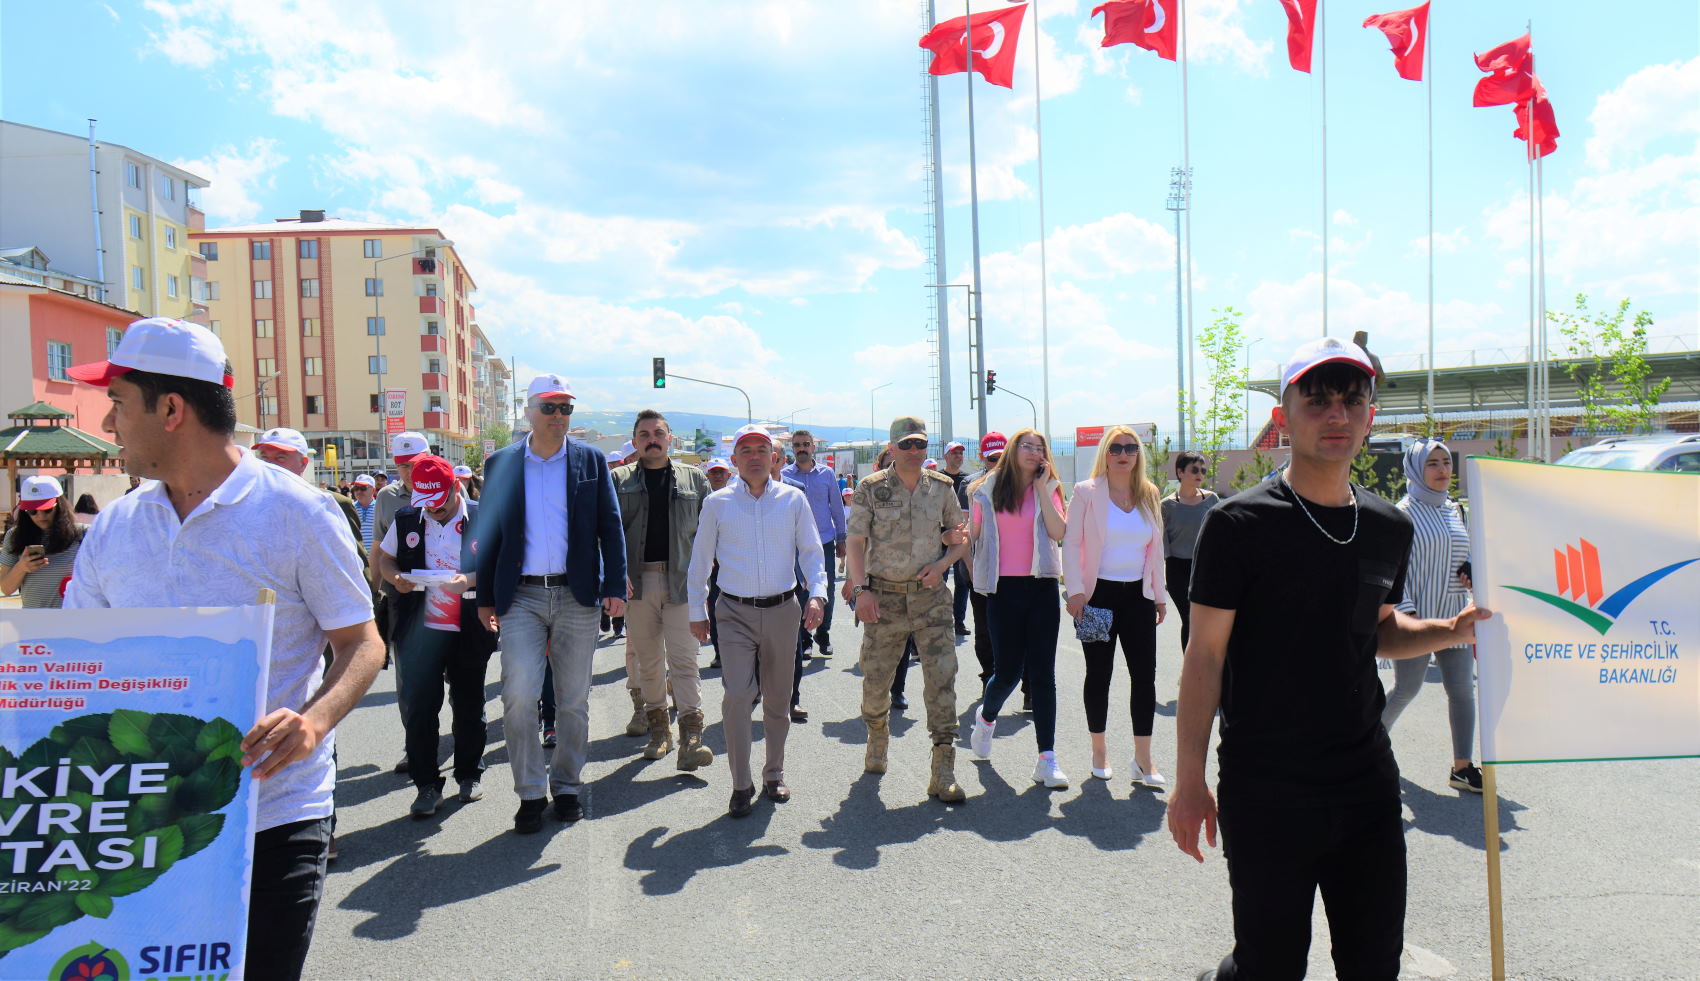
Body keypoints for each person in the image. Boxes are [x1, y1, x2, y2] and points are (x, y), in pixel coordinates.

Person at [62, 316, 382, 981]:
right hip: (139, 825)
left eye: (118, 403)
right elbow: (78, 661)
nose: (109, 423)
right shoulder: (115, 528)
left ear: (171, 409)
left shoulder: (298, 513)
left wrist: (313, 721)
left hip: (273, 815)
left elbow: (361, 641)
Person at [1168, 337, 1490, 981]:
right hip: (1267, 784)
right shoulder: (1238, 525)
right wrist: (1189, 781)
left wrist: (1450, 629)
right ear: (1285, 416)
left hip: (1365, 779)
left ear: (1371, 415)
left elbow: (1376, 629)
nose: (1337, 414)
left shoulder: (1385, 527)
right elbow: (1204, 657)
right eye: (1317, 401)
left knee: (1374, 965)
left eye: (1352, 399)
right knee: (1270, 966)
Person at [475, 373, 627, 833]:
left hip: (576, 594)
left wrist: (615, 585)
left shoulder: (590, 460)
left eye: (566, 408)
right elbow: (489, 534)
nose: (559, 416)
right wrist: (485, 597)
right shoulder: (501, 463)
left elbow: (610, 525)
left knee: (573, 699)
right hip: (519, 594)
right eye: (550, 407)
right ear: (529, 410)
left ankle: (566, 786)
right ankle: (528, 793)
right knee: (519, 696)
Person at [687, 425, 826, 818]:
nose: (753, 456)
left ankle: (773, 772)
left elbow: (812, 552)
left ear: (775, 459)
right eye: (744, 450)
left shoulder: (794, 500)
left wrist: (817, 593)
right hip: (733, 612)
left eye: (761, 450)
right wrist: (697, 612)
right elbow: (700, 563)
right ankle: (740, 782)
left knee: (779, 700)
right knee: (736, 695)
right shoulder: (717, 503)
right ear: (733, 461)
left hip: (784, 610)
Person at [842, 416, 970, 802]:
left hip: (930, 599)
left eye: (920, 444)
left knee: (942, 678)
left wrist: (944, 563)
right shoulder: (871, 488)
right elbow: (855, 543)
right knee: (876, 681)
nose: (914, 451)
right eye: (907, 444)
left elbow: (959, 538)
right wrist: (861, 590)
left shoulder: (942, 488)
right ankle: (877, 734)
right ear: (893, 448)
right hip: (884, 600)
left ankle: (943, 766)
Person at [374, 454, 496, 817]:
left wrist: (469, 580)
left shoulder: (482, 517)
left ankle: (469, 773)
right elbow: (386, 559)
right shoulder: (408, 517)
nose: (433, 512)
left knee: (469, 702)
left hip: (468, 622)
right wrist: (395, 578)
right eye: (425, 505)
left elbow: (499, 564)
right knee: (420, 707)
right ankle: (426, 784)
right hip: (418, 624)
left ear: (455, 489)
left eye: (439, 504)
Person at [1063, 426, 1170, 786]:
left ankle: (1143, 760)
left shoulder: (1150, 493)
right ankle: (1099, 751)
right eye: (1115, 448)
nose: (1123, 453)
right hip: (1098, 597)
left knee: (1145, 678)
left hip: (1138, 598)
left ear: (1138, 454)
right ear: (1105, 454)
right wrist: (1075, 591)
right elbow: (1071, 543)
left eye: (1130, 447)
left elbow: (1155, 552)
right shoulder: (1086, 492)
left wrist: (1159, 594)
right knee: (1100, 675)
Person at [612, 409, 715, 770]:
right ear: (635, 441)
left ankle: (691, 737)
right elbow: (604, 535)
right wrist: (612, 576)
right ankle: (660, 732)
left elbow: (709, 532)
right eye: (644, 434)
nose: (651, 439)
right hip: (637, 584)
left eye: (658, 433)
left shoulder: (695, 479)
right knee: (648, 664)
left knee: (685, 661)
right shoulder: (618, 480)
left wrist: (708, 576)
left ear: (669, 438)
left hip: (683, 582)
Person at [967, 428, 1069, 788]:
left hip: (1041, 585)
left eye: (1040, 447)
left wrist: (1042, 488)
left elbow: (1059, 533)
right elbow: (972, 538)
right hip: (1002, 589)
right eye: (1027, 445)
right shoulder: (987, 490)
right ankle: (987, 717)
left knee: (1043, 674)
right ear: (1012, 450)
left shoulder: (1051, 488)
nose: (1033, 452)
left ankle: (1047, 758)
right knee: (1008, 672)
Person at [1382, 438, 1482, 793]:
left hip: (1454, 614)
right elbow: (1394, 570)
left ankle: (1462, 767)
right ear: (1415, 469)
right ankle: (1368, 748)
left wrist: (1470, 569)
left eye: (1446, 463)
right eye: (1433, 464)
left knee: (1462, 692)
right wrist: (1404, 613)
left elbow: (1462, 554)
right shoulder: (1401, 514)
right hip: (1418, 620)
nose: (1443, 470)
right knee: (1407, 689)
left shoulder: (1455, 511)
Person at [783, 429, 847, 660]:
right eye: (797, 444)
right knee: (799, 590)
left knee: (826, 589)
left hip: (825, 541)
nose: (802, 448)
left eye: (806, 444)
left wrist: (842, 538)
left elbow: (837, 508)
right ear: (792, 448)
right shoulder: (784, 476)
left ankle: (823, 633)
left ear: (813, 448)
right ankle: (805, 638)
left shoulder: (827, 474)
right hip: (795, 544)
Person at [253, 427, 363, 550]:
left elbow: (358, 564)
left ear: (303, 463)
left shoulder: (332, 504)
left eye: (280, 458)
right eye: (264, 458)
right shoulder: (250, 506)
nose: (270, 465)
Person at [1161, 450, 1221, 651]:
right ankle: (1190, 670)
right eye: (1194, 469)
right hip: (1177, 569)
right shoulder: (1166, 506)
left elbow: (1222, 532)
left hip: (1206, 568)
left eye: (1202, 470)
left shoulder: (1212, 500)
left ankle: (1202, 667)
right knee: (1190, 618)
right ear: (1180, 472)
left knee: (1204, 620)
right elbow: (1162, 544)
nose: (1200, 474)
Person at [963, 432, 1007, 688]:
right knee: (984, 630)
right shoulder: (972, 486)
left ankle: (1027, 686)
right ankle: (989, 676)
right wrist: (970, 566)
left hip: (1014, 572)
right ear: (982, 458)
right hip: (981, 570)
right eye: (992, 459)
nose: (997, 464)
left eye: (1002, 457)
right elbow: (967, 532)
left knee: (1018, 632)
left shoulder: (1022, 483)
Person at [1, 475, 84, 608]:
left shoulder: (82, 534)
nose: (40, 516)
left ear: (60, 505)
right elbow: (6, 588)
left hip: (72, 621)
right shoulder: (14, 536)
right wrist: (21, 567)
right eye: (32, 511)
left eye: (47, 509)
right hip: (33, 623)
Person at [702, 458, 732, 668]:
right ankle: (720, 653)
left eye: (722, 472)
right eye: (714, 472)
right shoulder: (701, 500)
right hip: (711, 565)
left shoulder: (736, 499)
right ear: (707, 476)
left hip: (731, 563)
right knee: (714, 609)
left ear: (729, 475)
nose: (718, 476)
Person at [941, 440, 972, 635]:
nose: (958, 456)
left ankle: (958, 621)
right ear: (946, 456)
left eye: (961, 453)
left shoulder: (968, 480)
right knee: (939, 581)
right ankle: (941, 620)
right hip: (941, 537)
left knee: (962, 582)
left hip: (962, 537)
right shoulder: (938, 479)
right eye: (954, 453)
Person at [350, 474, 378, 551]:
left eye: (363, 488)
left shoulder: (380, 508)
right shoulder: (350, 508)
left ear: (373, 490)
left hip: (376, 559)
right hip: (357, 558)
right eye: (356, 488)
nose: (358, 491)